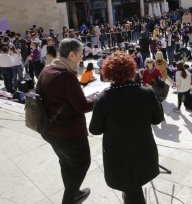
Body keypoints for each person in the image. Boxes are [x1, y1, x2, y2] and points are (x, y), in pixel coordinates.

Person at [89, 52, 164, 204]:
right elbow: (157, 119)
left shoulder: (103, 98)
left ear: (109, 74)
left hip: (119, 157)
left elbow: (94, 129)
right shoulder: (147, 93)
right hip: (143, 152)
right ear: (131, 70)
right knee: (134, 190)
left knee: (131, 192)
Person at [37, 38, 95, 204]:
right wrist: (100, 98)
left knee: (66, 162)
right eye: (80, 54)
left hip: (49, 129)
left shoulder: (48, 69)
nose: (82, 58)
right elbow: (82, 106)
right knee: (82, 163)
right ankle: (69, 199)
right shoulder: (67, 77)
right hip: (68, 133)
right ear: (71, 55)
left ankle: (74, 192)